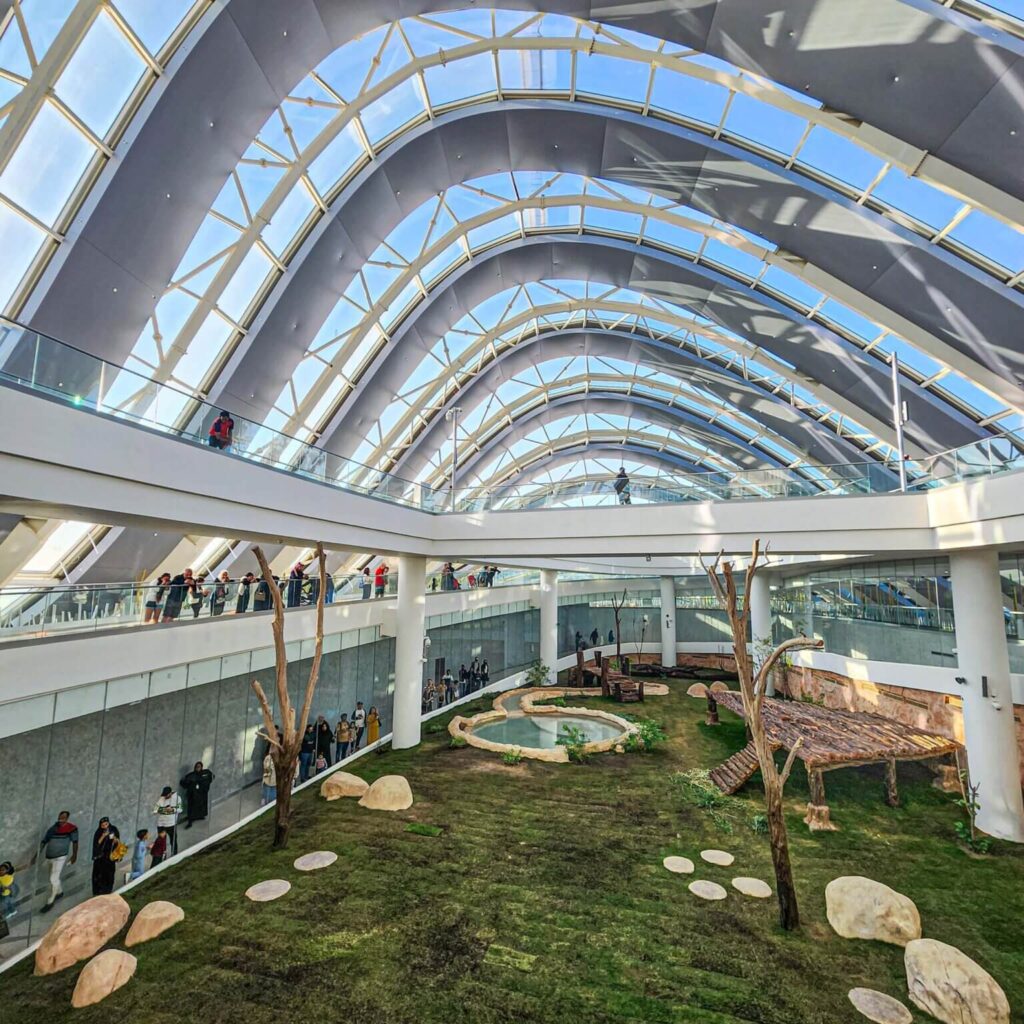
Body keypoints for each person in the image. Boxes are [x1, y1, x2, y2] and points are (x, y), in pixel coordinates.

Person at [38, 811, 78, 912]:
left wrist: (74, 855)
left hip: (60, 857)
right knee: (53, 877)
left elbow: (75, 842)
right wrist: (36, 855)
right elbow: (44, 841)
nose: (61, 819)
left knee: (53, 879)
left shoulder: (72, 829)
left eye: (64, 817)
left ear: (67, 818)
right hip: (50, 857)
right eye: (60, 817)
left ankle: (50, 901)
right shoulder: (53, 828)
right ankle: (59, 892)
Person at [90, 817, 120, 896]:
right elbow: (97, 844)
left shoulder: (113, 829)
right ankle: (98, 892)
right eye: (103, 825)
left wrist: (115, 839)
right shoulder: (98, 832)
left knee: (109, 874)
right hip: (100, 858)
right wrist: (103, 836)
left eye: (106, 824)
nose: (105, 826)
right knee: (99, 875)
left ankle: (108, 890)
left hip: (110, 857)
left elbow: (118, 841)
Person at [180, 761, 214, 828]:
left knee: (201, 806)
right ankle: (190, 821)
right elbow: (184, 782)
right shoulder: (191, 775)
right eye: (197, 767)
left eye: (199, 767)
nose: (198, 768)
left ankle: (200, 816)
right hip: (193, 795)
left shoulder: (205, 773)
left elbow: (211, 777)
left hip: (202, 794)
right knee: (191, 808)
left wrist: (205, 787)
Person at [154, 786, 182, 855]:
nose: (165, 797)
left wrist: (172, 809)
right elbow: (155, 810)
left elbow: (180, 809)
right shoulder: (162, 798)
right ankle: (163, 854)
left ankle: (174, 854)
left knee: (173, 840)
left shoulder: (177, 798)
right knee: (162, 841)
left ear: (170, 793)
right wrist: (165, 810)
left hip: (171, 824)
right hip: (161, 824)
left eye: (166, 795)